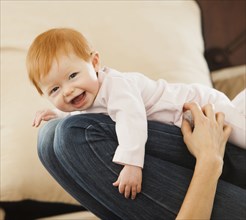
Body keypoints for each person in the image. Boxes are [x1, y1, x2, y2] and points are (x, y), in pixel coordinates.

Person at [26, 28, 245, 201]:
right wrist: (57, 114)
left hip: (201, 106)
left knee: (240, 132)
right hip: (183, 126)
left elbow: (131, 119)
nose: (67, 91)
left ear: (94, 63)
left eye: (73, 75)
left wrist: (132, 164)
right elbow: (83, 113)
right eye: (54, 90)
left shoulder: (117, 86)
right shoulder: (87, 96)